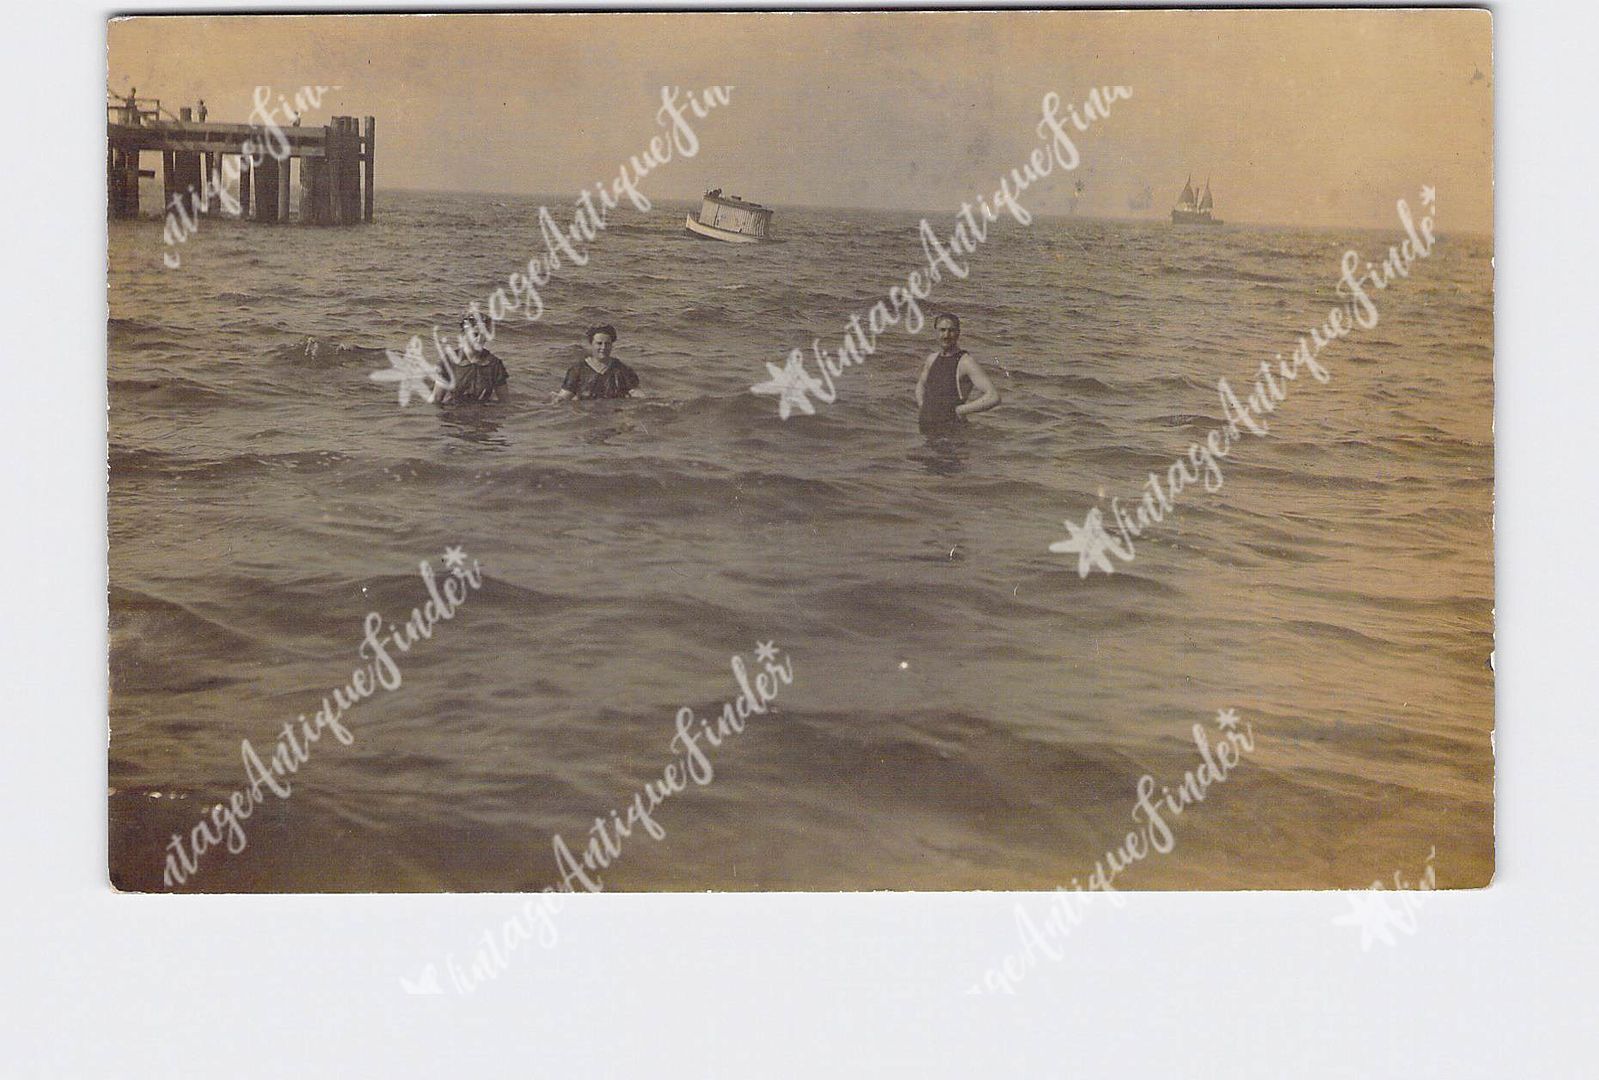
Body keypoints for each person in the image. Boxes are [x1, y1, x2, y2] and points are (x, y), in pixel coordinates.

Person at [915, 312, 1000, 431]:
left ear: (958, 333)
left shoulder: (965, 362)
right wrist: (922, 405)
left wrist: (960, 410)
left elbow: (993, 396)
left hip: (952, 434)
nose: (946, 335)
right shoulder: (932, 359)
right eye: (942, 330)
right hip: (927, 428)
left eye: (951, 330)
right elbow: (921, 385)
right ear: (936, 332)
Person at [436, 314, 509, 404]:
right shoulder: (449, 361)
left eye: (483, 335)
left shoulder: (494, 364)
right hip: (453, 412)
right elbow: (436, 399)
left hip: (482, 414)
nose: (479, 339)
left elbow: (505, 402)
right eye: (475, 335)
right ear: (463, 335)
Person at [555, 325, 641, 400]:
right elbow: (564, 397)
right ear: (591, 344)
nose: (603, 347)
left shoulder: (623, 370)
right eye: (599, 343)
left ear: (612, 345)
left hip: (614, 415)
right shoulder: (577, 370)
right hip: (586, 415)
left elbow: (636, 394)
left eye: (607, 344)